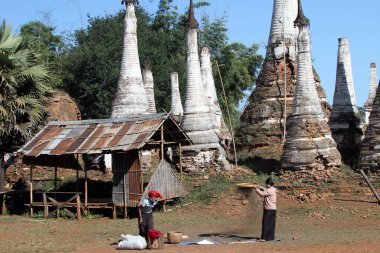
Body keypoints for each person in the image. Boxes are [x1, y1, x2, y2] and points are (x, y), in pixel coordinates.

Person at [254, 177, 277, 241]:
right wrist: (259, 187)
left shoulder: (270, 190)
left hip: (269, 209)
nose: (266, 185)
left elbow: (262, 194)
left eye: (266, 184)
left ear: (268, 184)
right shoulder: (272, 189)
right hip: (272, 209)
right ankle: (270, 237)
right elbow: (265, 189)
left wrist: (256, 189)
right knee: (271, 224)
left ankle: (264, 238)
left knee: (266, 223)